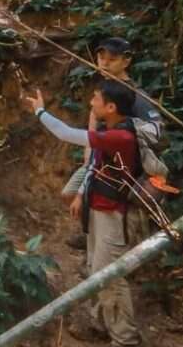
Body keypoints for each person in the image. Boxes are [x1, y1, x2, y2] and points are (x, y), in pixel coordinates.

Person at [25, 80, 143, 347]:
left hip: (113, 216)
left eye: (96, 99)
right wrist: (80, 195)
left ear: (111, 107)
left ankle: (126, 340)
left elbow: (65, 134)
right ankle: (101, 323)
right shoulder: (112, 131)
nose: (92, 102)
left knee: (110, 277)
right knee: (96, 269)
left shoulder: (121, 138)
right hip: (100, 210)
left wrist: (41, 112)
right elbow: (94, 167)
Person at [64, 37, 164, 251]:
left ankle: (108, 251)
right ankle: (90, 232)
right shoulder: (106, 88)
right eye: (101, 57)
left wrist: (129, 143)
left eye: (112, 59)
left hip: (119, 166)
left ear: (126, 62)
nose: (105, 63)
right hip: (97, 159)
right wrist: (88, 155)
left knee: (110, 207)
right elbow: (93, 127)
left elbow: (156, 130)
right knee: (73, 192)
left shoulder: (133, 96)